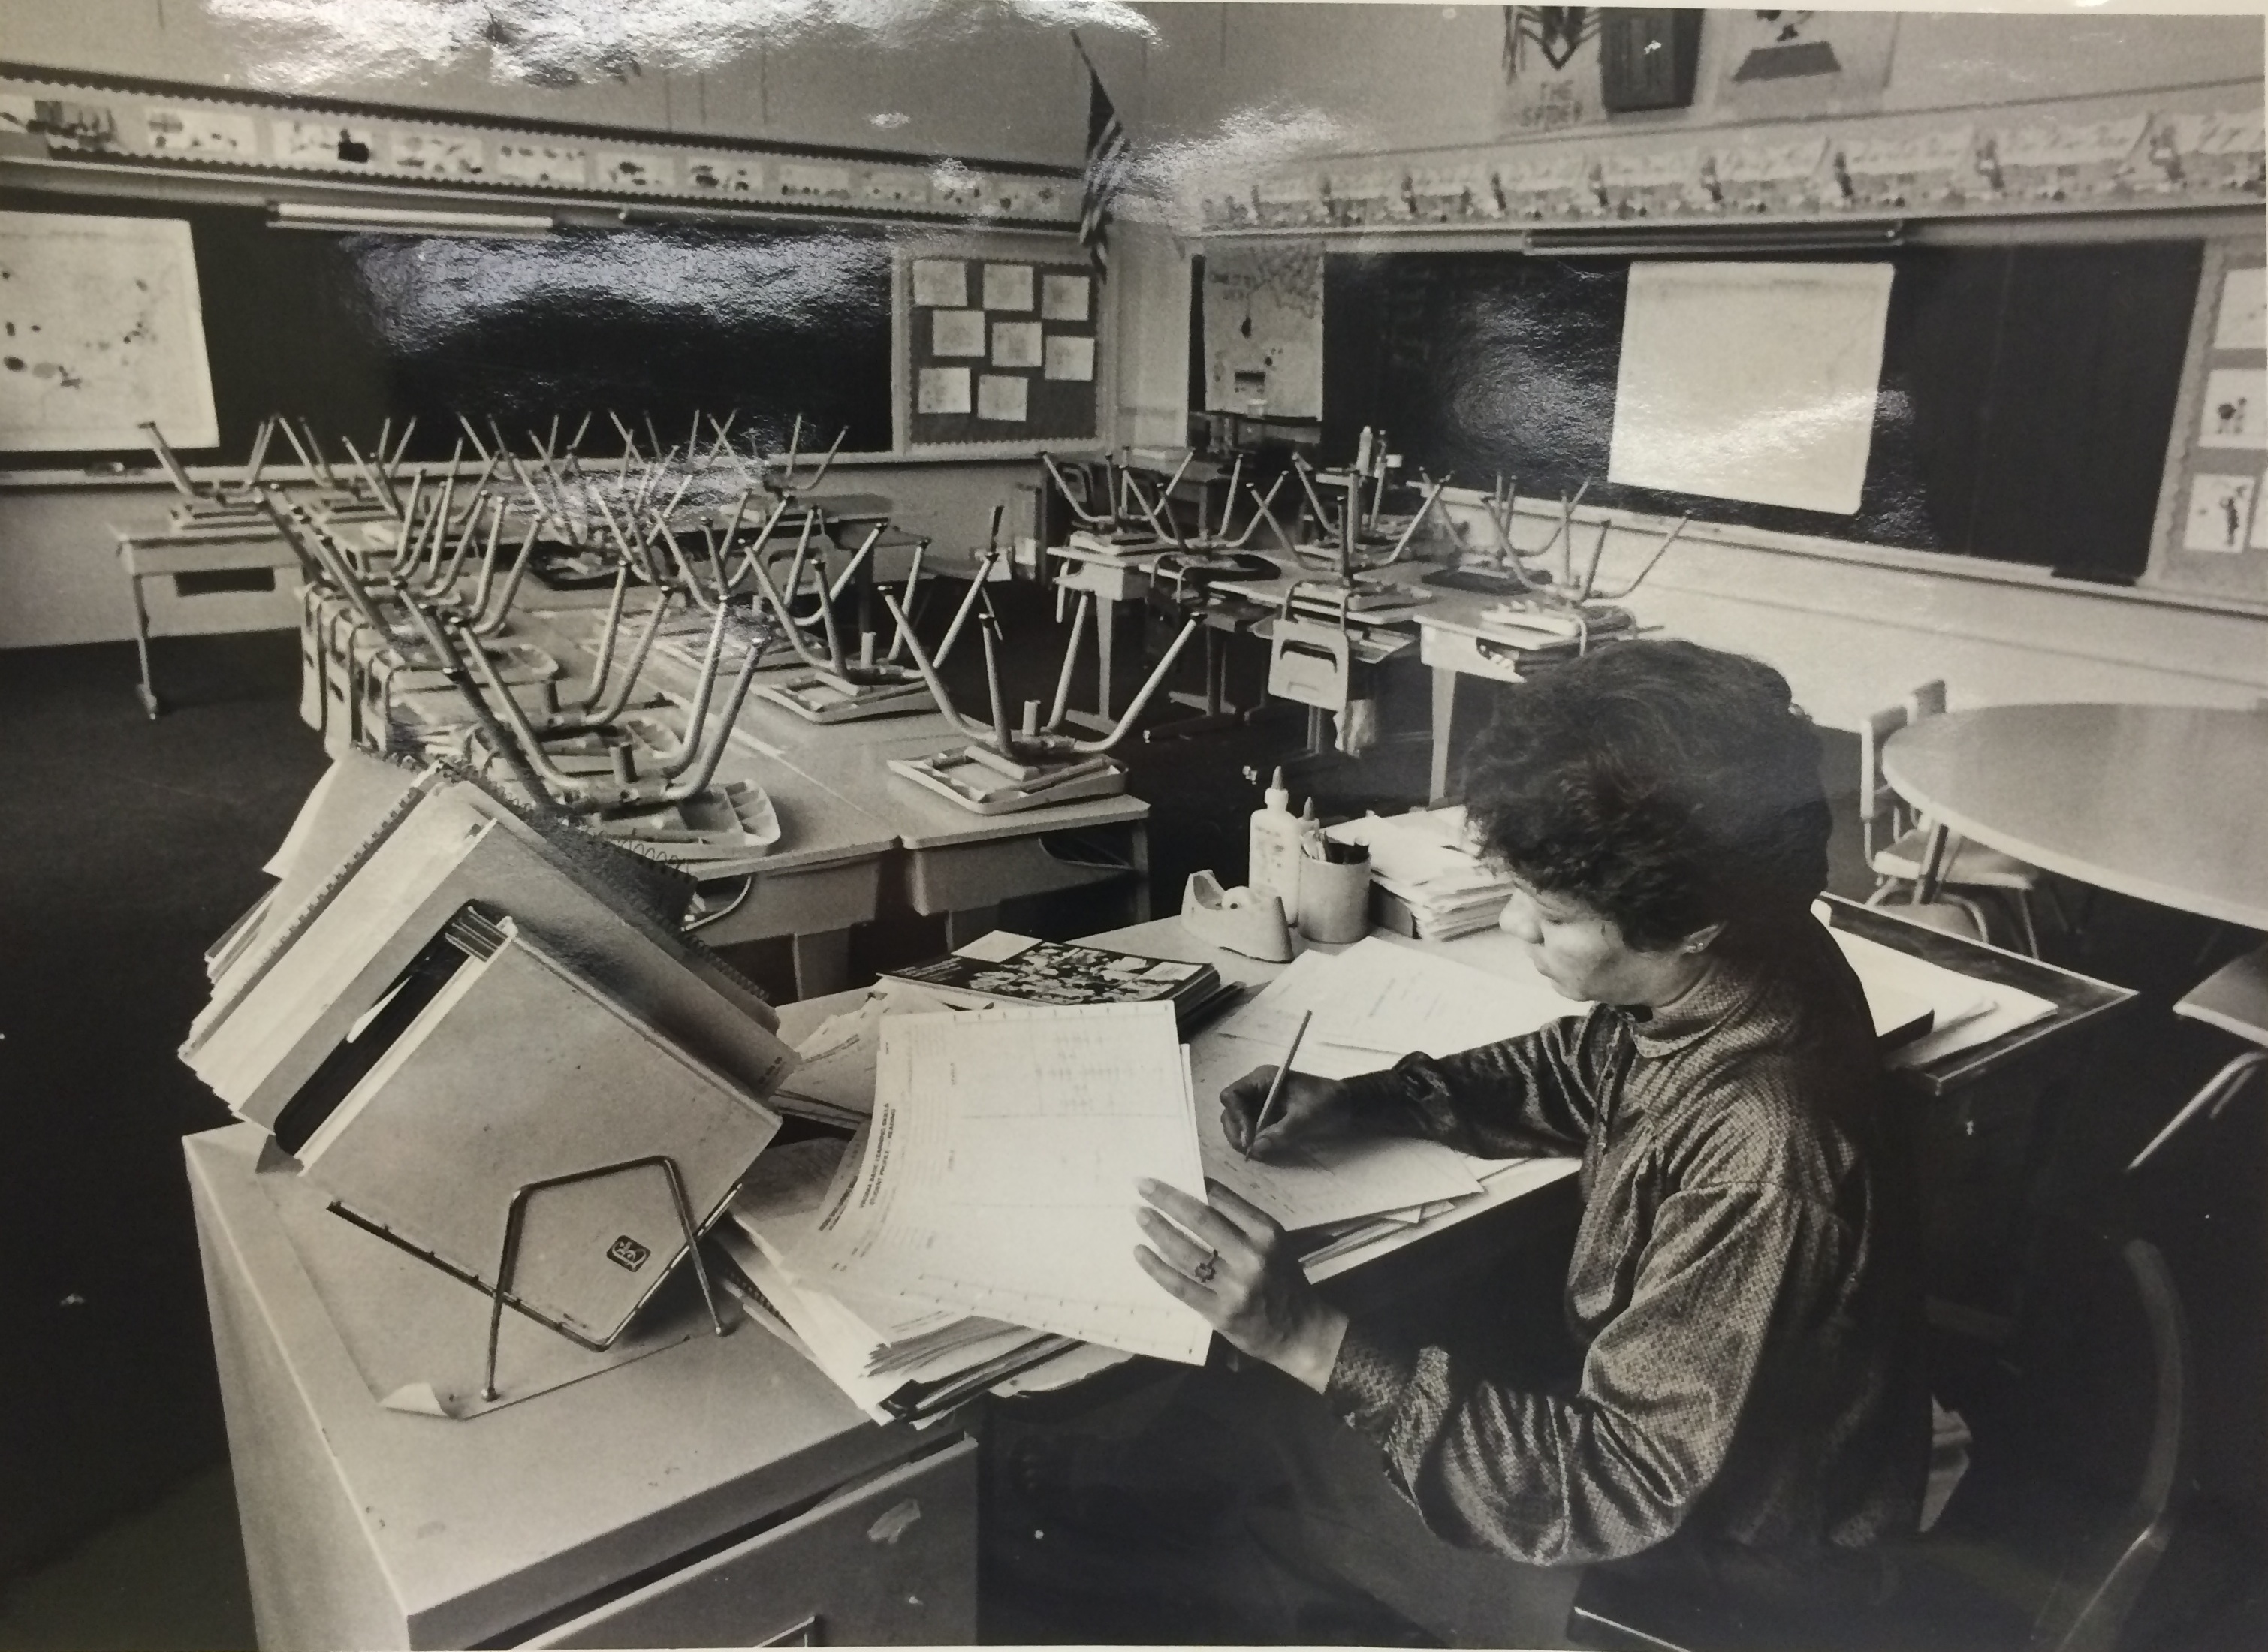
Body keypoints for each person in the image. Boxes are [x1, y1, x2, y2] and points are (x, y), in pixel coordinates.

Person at [1129, 639, 1932, 1641]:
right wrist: (1376, 1100)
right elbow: (1588, 1066)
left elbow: (1618, 1485)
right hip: (1690, 1454)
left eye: (1552, 914)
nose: (1514, 927)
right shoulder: (1757, 947)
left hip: (1700, 1579)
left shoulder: (1766, 1148)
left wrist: (1303, 1336)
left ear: (1694, 928)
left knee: (1254, 1459)